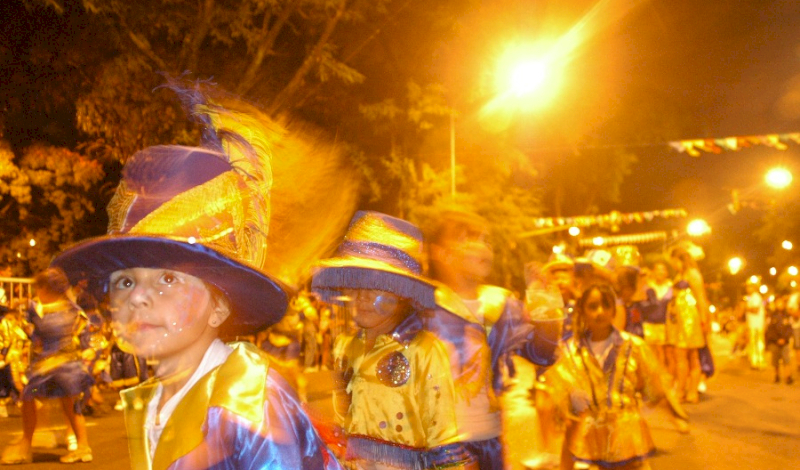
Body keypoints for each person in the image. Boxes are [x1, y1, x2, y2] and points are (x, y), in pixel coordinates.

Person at [49, 97, 342, 469]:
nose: (138, 297)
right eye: (124, 282)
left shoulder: (249, 404)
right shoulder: (160, 397)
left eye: (168, 278)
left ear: (220, 306)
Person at [312, 211, 479, 470]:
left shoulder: (423, 350)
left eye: (377, 286)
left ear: (401, 293)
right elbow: (346, 421)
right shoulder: (346, 347)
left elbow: (443, 439)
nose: (362, 296)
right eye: (356, 284)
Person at [427, 210, 560, 470]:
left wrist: (545, 304)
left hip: (490, 440)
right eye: (468, 239)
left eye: (486, 240)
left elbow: (542, 354)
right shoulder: (424, 307)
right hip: (439, 444)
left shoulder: (502, 305)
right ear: (443, 253)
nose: (483, 246)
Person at [537, 283, 688, 470]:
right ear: (582, 311)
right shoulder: (570, 352)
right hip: (591, 437)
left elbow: (655, 385)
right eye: (592, 307)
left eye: (605, 305)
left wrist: (674, 413)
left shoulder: (634, 346)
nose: (599, 312)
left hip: (627, 435)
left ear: (613, 310)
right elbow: (559, 394)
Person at [1, 268, 95, 464]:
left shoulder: (62, 309)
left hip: (57, 367)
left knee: (54, 401)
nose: (37, 292)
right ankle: (79, 446)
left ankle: (31, 445)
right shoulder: (45, 308)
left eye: (39, 288)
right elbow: (34, 335)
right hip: (59, 367)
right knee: (47, 399)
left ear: (47, 288)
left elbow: (80, 332)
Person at [666, 246, 710, 403]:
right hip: (679, 320)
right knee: (689, 357)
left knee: (686, 356)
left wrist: (704, 319)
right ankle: (688, 391)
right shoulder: (680, 275)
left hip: (690, 318)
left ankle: (684, 391)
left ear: (679, 260)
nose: (672, 265)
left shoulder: (693, 274)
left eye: (673, 262)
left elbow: (700, 297)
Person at [642, 259, 673, 370]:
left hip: (664, 325)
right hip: (648, 324)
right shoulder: (647, 285)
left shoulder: (671, 286)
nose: (660, 272)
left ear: (667, 272)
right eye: (657, 270)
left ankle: (664, 377)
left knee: (665, 353)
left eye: (663, 270)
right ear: (653, 272)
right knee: (649, 352)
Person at [765, 295, 794, 384]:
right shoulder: (772, 316)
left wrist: (785, 339)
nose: (780, 304)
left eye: (782, 303)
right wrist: (776, 339)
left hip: (785, 342)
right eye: (778, 303)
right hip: (775, 342)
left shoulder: (788, 315)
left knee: (786, 359)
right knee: (775, 361)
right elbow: (770, 330)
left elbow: (790, 329)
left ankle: (788, 376)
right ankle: (776, 375)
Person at [743, 276, 767, 370]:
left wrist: (746, 308)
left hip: (757, 324)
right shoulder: (752, 297)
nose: (747, 289)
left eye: (749, 287)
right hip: (753, 324)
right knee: (753, 343)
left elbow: (755, 309)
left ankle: (760, 362)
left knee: (759, 343)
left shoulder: (756, 296)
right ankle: (755, 362)